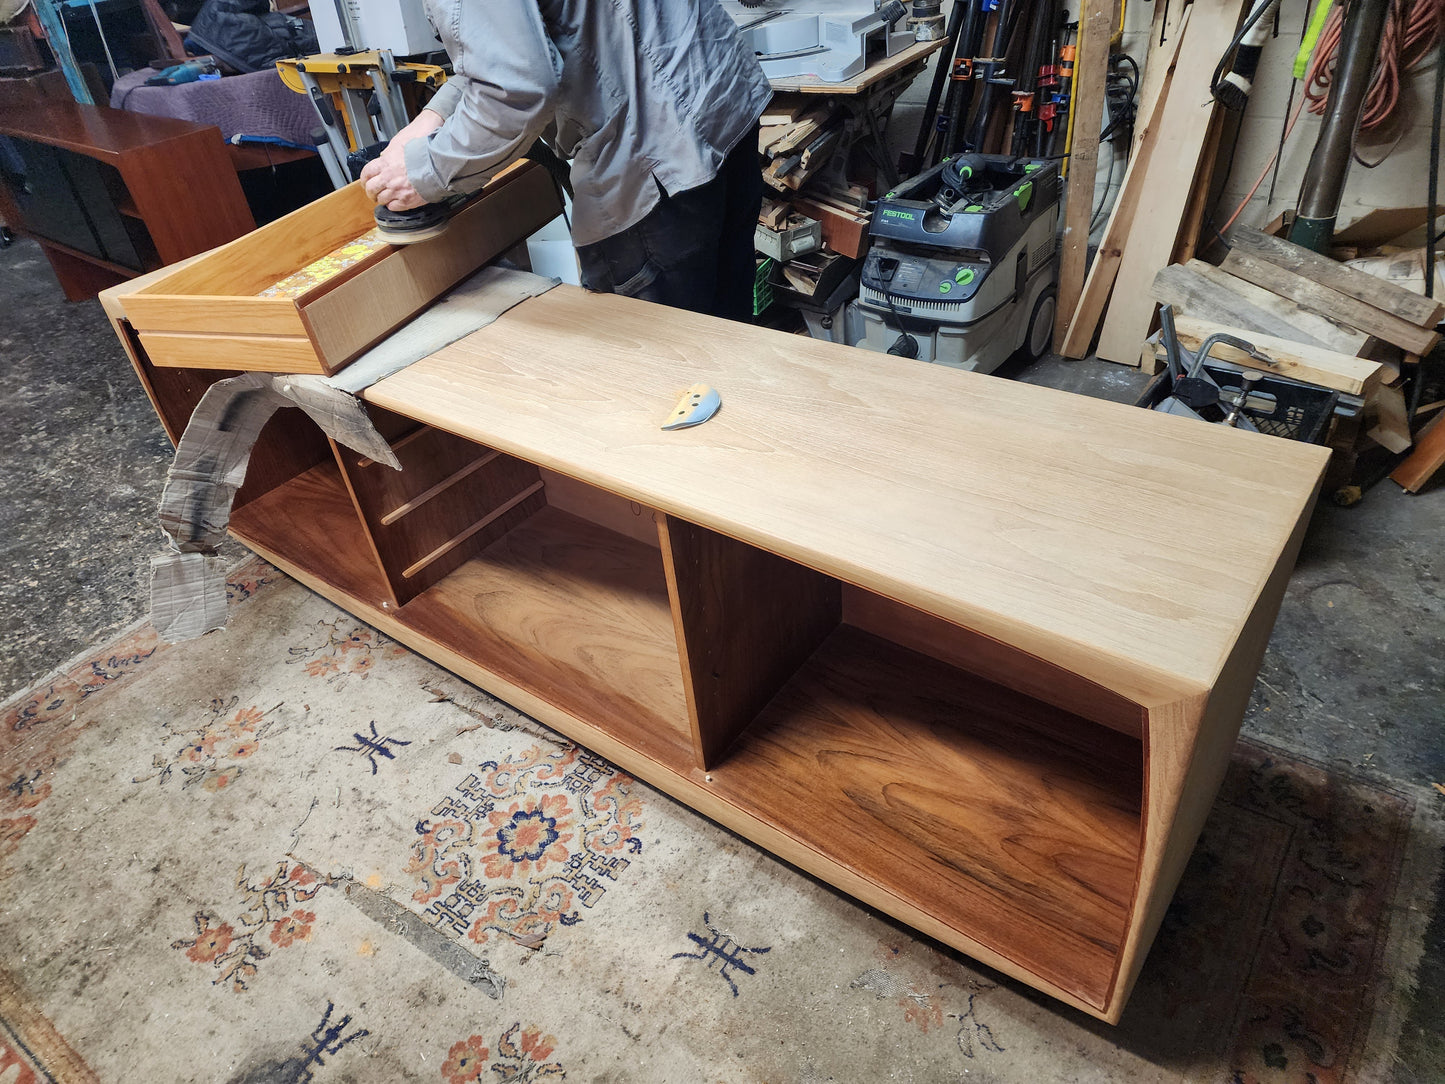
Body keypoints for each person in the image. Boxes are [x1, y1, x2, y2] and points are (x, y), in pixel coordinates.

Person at [360, 0, 771, 322]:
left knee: (659, 372)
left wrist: (425, 174)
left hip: (653, 157)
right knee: (724, 332)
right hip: (721, 92)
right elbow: (530, 34)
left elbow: (515, 90)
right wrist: (433, 117)